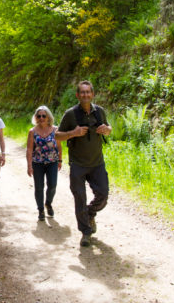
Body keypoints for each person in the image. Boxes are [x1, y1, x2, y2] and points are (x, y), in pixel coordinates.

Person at [55, 80, 112, 247]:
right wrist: (74, 132)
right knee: (79, 198)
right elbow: (57, 135)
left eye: (88, 92)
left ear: (92, 94)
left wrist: (107, 130)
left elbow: (108, 129)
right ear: (77, 95)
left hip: (97, 163)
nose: (86, 95)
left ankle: (90, 213)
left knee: (103, 195)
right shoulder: (71, 114)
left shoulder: (99, 112)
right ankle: (86, 232)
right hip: (78, 164)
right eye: (83, 92)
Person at [26, 106, 62, 221]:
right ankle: (41, 209)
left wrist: (60, 160)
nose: (41, 118)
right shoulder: (32, 132)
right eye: (39, 116)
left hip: (52, 162)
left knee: (52, 185)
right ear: (36, 118)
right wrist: (29, 165)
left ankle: (48, 203)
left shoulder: (56, 130)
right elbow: (29, 149)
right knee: (39, 187)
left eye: (44, 116)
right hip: (38, 163)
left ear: (48, 117)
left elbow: (59, 147)